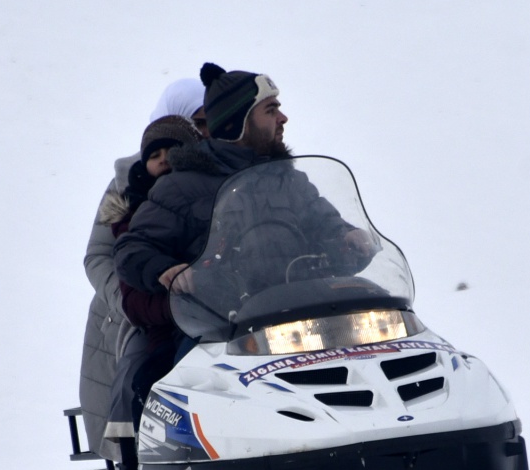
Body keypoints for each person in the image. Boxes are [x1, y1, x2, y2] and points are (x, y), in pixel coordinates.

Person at [114, 63, 372, 305]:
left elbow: (325, 224)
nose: (283, 118)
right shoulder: (180, 186)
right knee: (157, 356)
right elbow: (133, 249)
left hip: (303, 314)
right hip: (222, 329)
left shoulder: (290, 180)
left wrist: (348, 236)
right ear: (235, 124)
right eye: (271, 110)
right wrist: (167, 270)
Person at [77, 79, 204, 459]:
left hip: (204, 306)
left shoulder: (216, 176)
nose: (204, 129)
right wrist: (133, 303)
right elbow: (99, 256)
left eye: (208, 119)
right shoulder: (126, 184)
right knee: (140, 376)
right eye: (195, 120)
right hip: (135, 314)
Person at [104, 115, 201, 470]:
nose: (163, 162)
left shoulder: (210, 195)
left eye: (171, 152)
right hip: (166, 326)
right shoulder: (134, 215)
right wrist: (175, 306)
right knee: (139, 377)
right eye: (155, 156)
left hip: (224, 319)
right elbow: (132, 297)